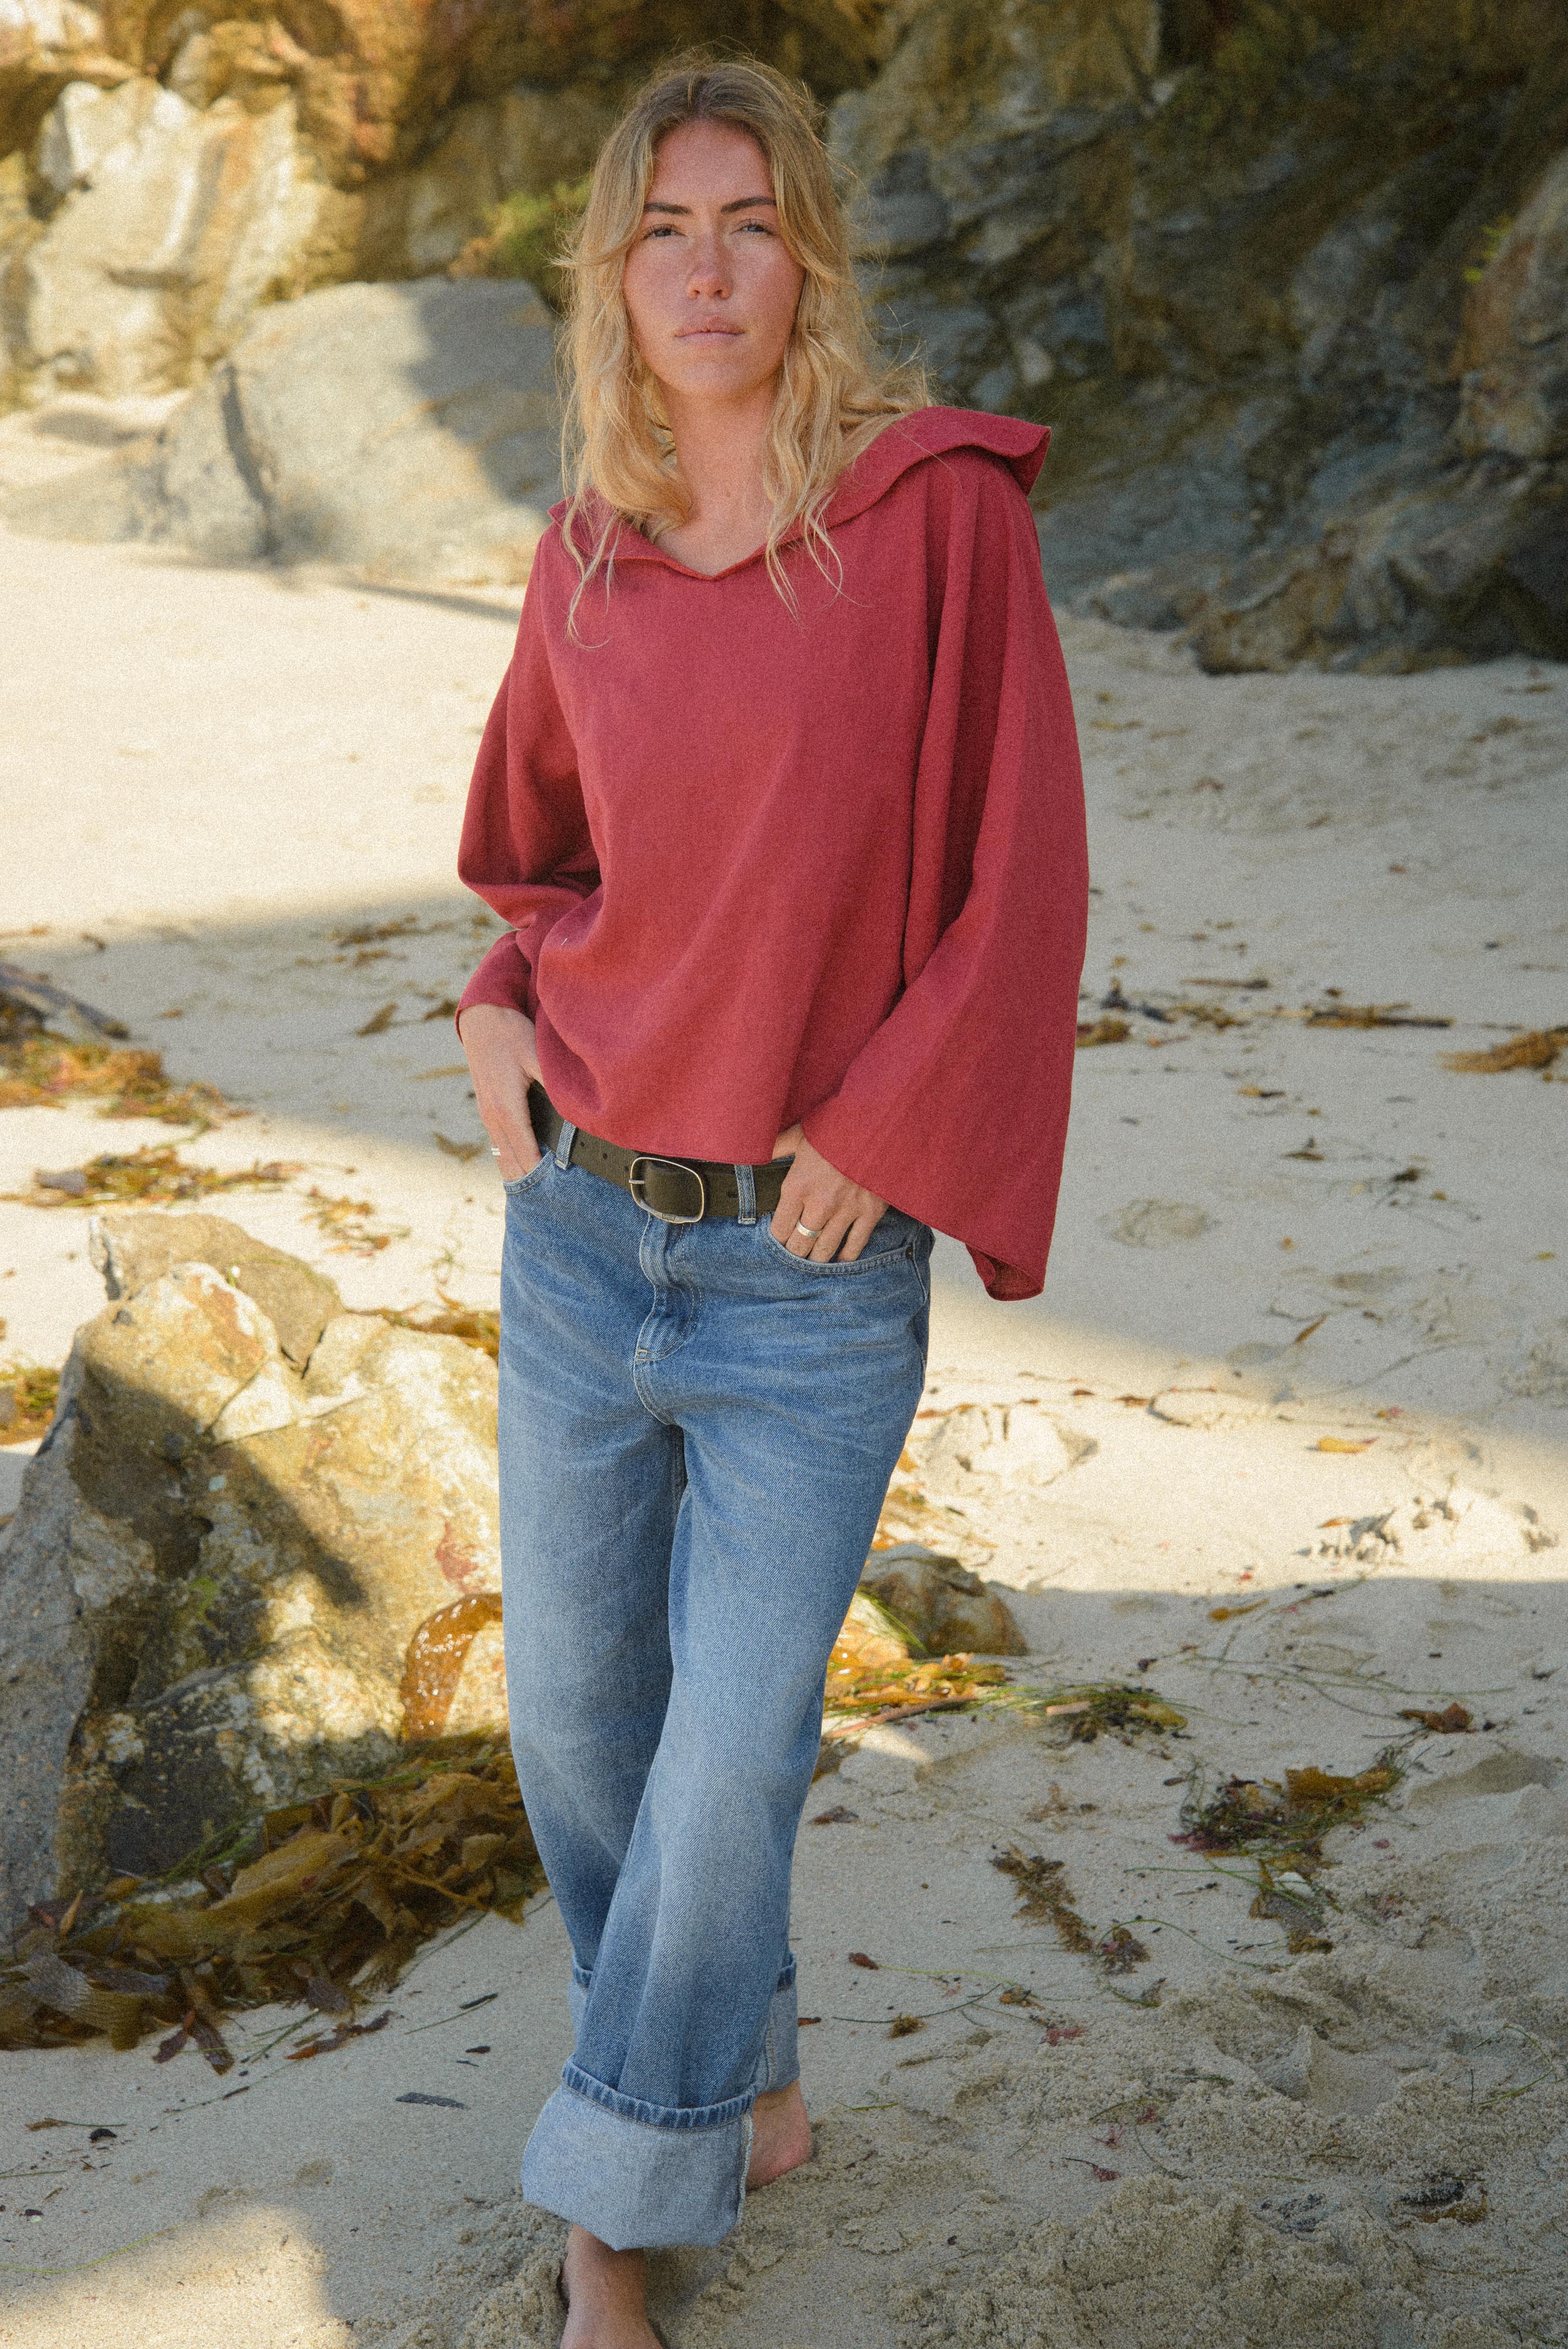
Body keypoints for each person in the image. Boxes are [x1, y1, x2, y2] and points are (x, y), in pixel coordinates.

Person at [455, 50, 1087, 2349]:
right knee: (577, 1728)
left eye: (743, 222)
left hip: (810, 1267)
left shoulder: (934, 522)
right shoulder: (590, 553)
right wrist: (493, 1007)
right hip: (580, 1223)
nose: (702, 269)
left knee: (730, 1746)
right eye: (659, 229)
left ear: (803, 249)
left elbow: (1018, 882)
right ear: (609, 276)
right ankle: (749, 2072)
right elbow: (543, 854)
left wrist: (887, 1130)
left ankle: (615, 2206)